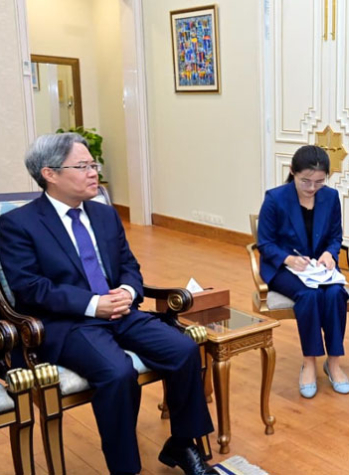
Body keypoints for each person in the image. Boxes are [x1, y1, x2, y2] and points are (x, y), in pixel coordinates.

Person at [0, 133, 215, 475]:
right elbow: (31, 288)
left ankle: (182, 443)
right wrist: (92, 304)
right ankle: (125, 468)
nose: (93, 173)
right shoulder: (18, 224)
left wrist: (128, 291)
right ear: (50, 174)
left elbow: (128, 264)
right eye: (82, 166)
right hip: (68, 323)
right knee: (117, 373)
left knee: (183, 349)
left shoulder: (104, 215)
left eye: (93, 164)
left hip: (120, 310)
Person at [257, 145, 349, 398]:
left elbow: (335, 236)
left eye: (319, 182)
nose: (312, 188)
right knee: (309, 296)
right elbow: (264, 243)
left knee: (336, 294)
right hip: (285, 268)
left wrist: (330, 253)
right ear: (292, 172)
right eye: (305, 181)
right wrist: (288, 259)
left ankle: (334, 363)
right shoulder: (275, 199)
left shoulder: (330, 197)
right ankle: (309, 362)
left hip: (318, 268)